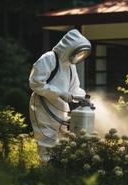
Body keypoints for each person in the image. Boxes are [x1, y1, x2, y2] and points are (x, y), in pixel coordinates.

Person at [29, 29, 91, 161]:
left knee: (63, 141)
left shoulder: (70, 66)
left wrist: (83, 98)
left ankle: (57, 172)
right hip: (42, 106)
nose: (78, 56)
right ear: (69, 48)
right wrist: (60, 93)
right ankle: (45, 173)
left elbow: (74, 88)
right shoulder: (49, 58)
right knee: (47, 140)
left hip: (61, 108)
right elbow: (35, 83)